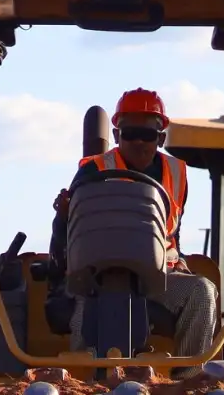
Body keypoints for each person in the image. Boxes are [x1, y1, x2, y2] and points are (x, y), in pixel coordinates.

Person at [68, 87, 216, 354]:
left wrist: (178, 263)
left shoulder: (176, 172)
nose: (139, 142)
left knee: (202, 293)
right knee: (84, 313)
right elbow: (70, 226)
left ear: (160, 138)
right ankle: (82, 381)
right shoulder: (93, 170)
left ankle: (188, 382)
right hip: (98, 275)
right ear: (116, 135)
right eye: (130, 133)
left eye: (147, 134)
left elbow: (174, 231)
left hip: (160, 276)